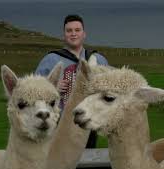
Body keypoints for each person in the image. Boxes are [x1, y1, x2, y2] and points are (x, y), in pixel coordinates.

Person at [35, 14, 109, 148]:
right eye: (69, 31)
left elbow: (109, 89)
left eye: (77, 30)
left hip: (89, 121)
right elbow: (34, 91)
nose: (73, 34)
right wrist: (53, 89)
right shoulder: (50, 60)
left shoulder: (98, 59)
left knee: (87, 160)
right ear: (64, 34)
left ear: (84, 34)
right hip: (60, 122)